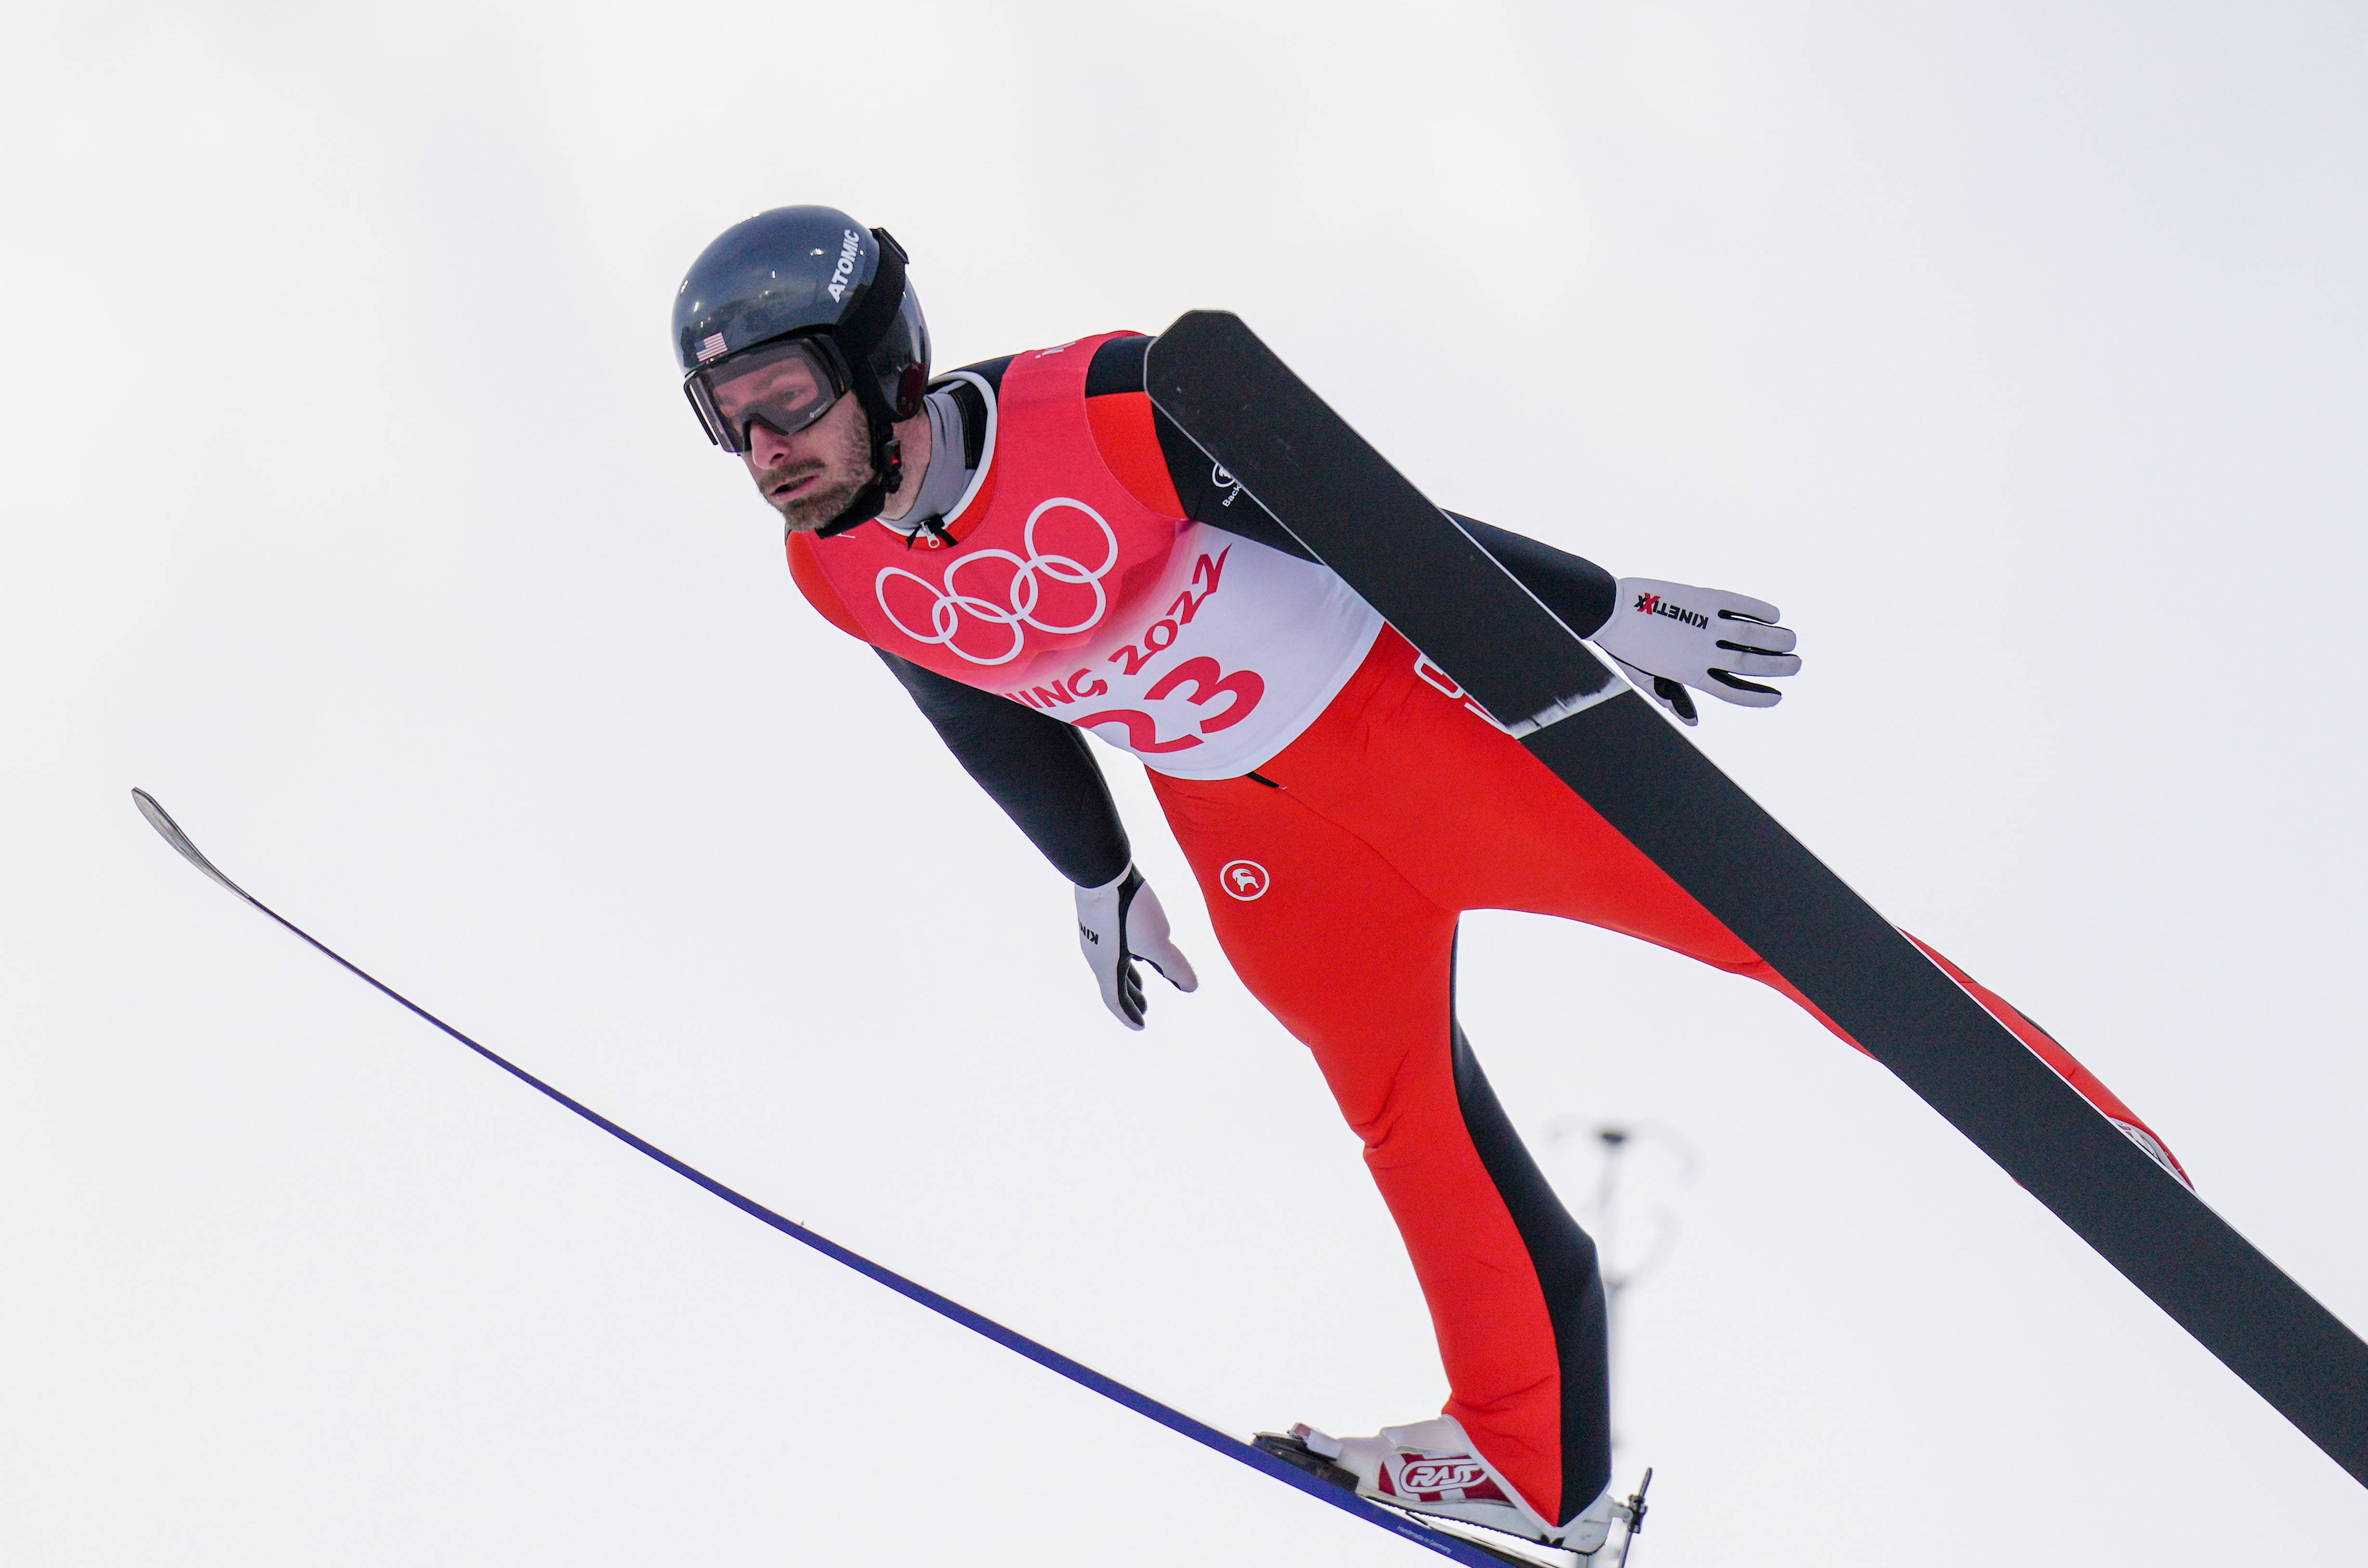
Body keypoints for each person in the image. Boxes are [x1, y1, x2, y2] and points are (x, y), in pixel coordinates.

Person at [670, 205, 2187, 1556]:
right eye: (725, 422)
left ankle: (2085, 1123)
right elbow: (969, 699)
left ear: (881, 364)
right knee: (1399, 1107)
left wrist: (1600, 610)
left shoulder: (1107, 406)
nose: (766, 451)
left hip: (1407, 723)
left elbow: (1370, 524)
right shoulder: (835, 568)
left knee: (1764, 926)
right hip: (1253, 834)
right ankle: (1539, 1460)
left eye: (785, 400)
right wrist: (1098, 870)